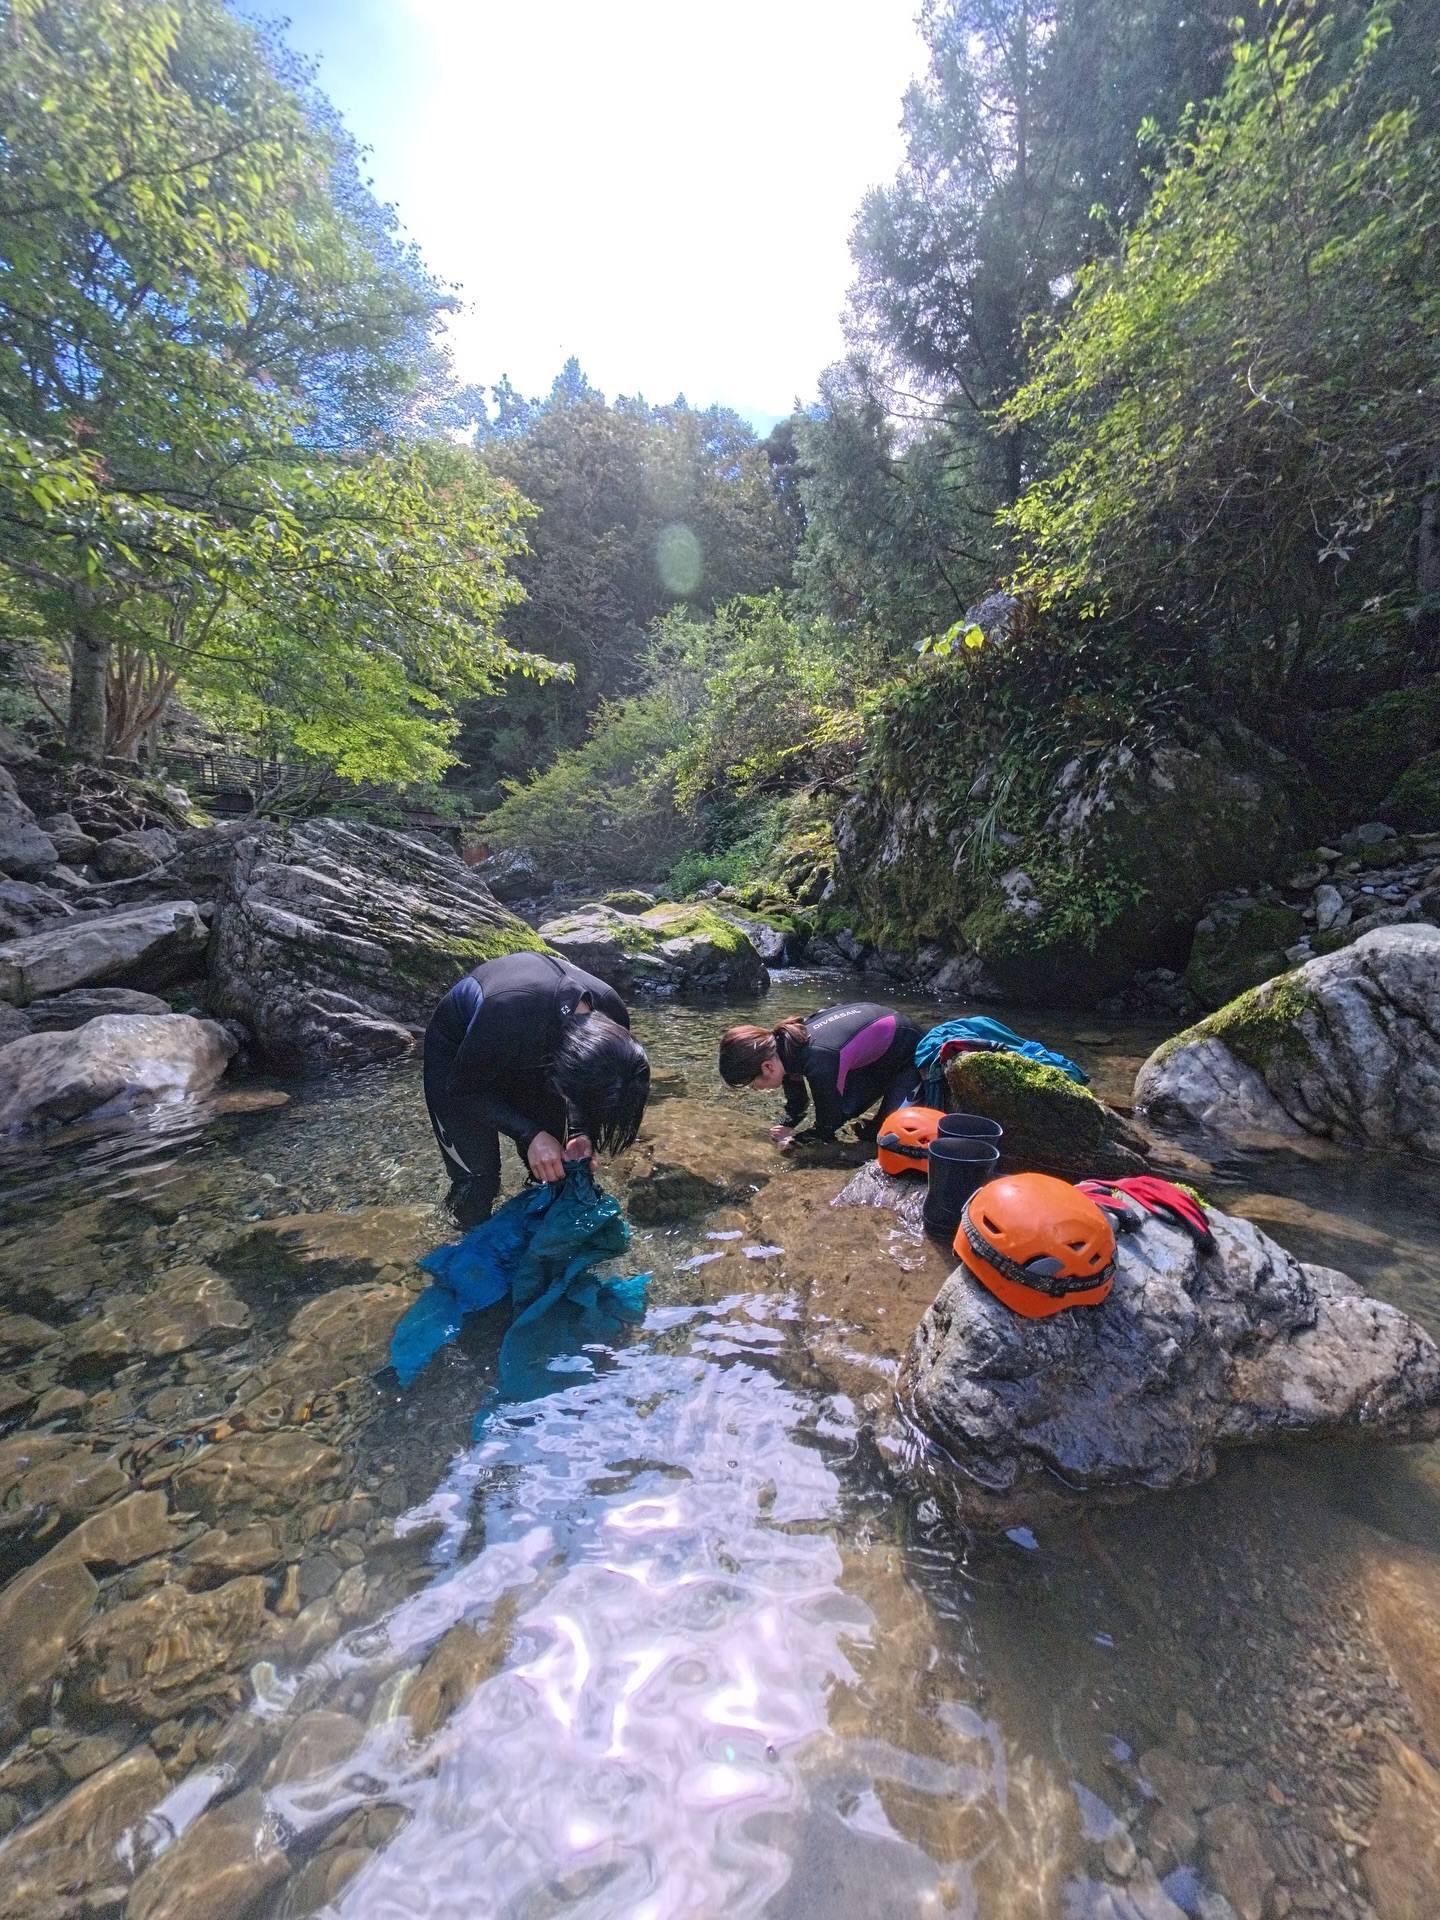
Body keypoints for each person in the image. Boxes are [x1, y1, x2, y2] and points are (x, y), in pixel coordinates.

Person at [424, 950, 650, 1227]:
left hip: (533, 1044)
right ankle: (466, 1242)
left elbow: (597, 1091)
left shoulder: (613, 1016)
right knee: (477, 1180)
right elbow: (462, 1091)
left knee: (554, 1167)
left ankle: (538, 1233)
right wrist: (531, 1135)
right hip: (459, 1055)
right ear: (565, 1079)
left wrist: (581, 1133)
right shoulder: (507, 1011)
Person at [717, 1003, 924, 1147]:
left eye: (752, 1084)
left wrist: (797, 1142)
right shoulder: (784, 1049)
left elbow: (828, 1124)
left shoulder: (819, 1059)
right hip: (875, 1058)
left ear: (767, 1067)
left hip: (909, 1054)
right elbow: (798, 1104)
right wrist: (787, 1123)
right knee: (849, 1112)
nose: (756, 1089)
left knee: (887, 1137)